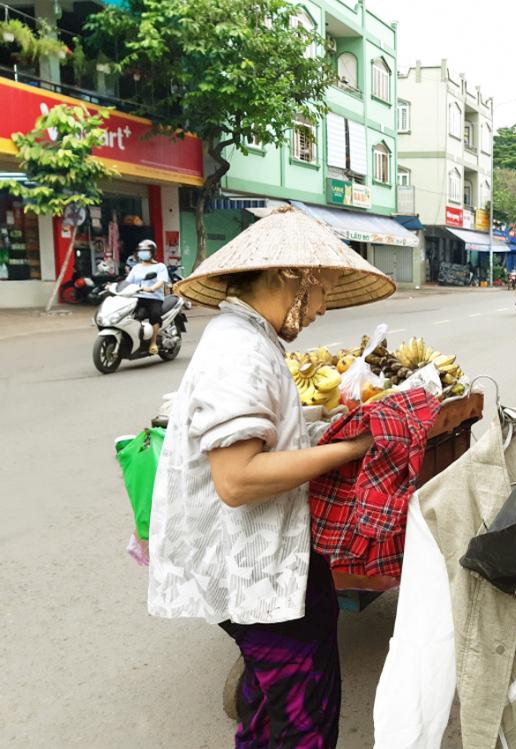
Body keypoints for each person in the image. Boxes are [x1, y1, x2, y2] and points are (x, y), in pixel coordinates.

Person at [147, 206, 395, 748]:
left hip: (266, 564)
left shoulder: (247, 337)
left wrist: (315, 425)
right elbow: (237, 480)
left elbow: (259, 435)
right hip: (253, 569)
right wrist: (353, 446)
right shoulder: (240, 349)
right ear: (294, 276)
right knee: (296, 724)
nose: (323, 308)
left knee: (273, 714)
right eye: (324, 290)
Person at [123, 239, 169, 355]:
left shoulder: (160, 267)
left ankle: (153, 343)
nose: (141, 253)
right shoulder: (136, 268)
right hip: (137, 297)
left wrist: (152, 288)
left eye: (145, 251)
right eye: (140, 251)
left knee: (155, 314)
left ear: (152, 252)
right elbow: (128, 282)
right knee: (129, 316)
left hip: (154, 298)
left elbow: (161, 281)